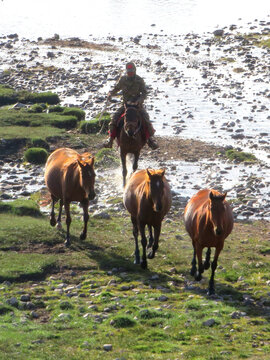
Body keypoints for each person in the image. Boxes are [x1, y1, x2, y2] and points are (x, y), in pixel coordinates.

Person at [103, 62, 158, 149]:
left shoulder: (140, 80)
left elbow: (144, 93)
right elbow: (116, 88)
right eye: (128, 71)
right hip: (125, 105)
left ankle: (150, 140)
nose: (130, 73)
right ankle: (110, 139)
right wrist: (110, 94)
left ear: (134, 71)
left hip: (137, 106)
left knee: (146, 119)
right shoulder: (123, 79)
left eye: (131, 71)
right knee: (114, 119)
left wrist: (139, 101)